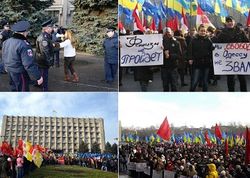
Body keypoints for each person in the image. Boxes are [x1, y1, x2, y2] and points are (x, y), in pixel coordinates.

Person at [2, 20, 43, 91]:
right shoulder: (24, 44)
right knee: (22, 91)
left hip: (10, 71)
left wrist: (6, 67)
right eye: (27, 32)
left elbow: (4, 56)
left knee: (14, 89)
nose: (27, 33)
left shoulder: (6, 41)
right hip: (19, 72)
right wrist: (38, 76)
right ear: (24, 32)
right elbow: (28, 64)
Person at [217, 16, 249, 91]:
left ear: (234, 22)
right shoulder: (222, 33)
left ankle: (244, 94)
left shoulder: (240, 32)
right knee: (230, 79)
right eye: (228, 21)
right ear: (226, 23)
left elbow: (247, 43)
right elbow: (217, 44)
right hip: (229, 61)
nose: (230, 23)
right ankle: (231, 94)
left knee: (242, 78)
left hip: (240, 60)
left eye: (231, 21)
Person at [188, 24, 214, 91]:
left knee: (205, 81)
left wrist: (213, 47)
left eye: (204, 31)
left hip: (206, 63)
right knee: (195, 81)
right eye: (201, 31)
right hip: (197, 63)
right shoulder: (194, 40)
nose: (203, 32)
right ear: (198, 31)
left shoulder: (208, 40)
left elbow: (212, 49)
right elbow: (190, 50)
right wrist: (190, 58)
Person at [35, 19, 54, 91]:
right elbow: (45, 52)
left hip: (42, 60)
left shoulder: (47, 36)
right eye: (50, 27)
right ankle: (44, 90)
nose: (52, 29)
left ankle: (38, 84)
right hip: (43, 61)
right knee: (44, 76)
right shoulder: (44, 38)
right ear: (46, 28)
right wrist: (50, 62)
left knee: (41, 74)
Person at [161, 27, 182, 91]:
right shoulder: (159, 43)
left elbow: (179, 55)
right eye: (166, 33)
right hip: (164, 67)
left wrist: (170, 55)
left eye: (169, 33)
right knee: (165, 85)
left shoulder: (176, 43)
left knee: (174, 85)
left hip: (173, 67)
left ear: (172, 33)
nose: (167, 34)